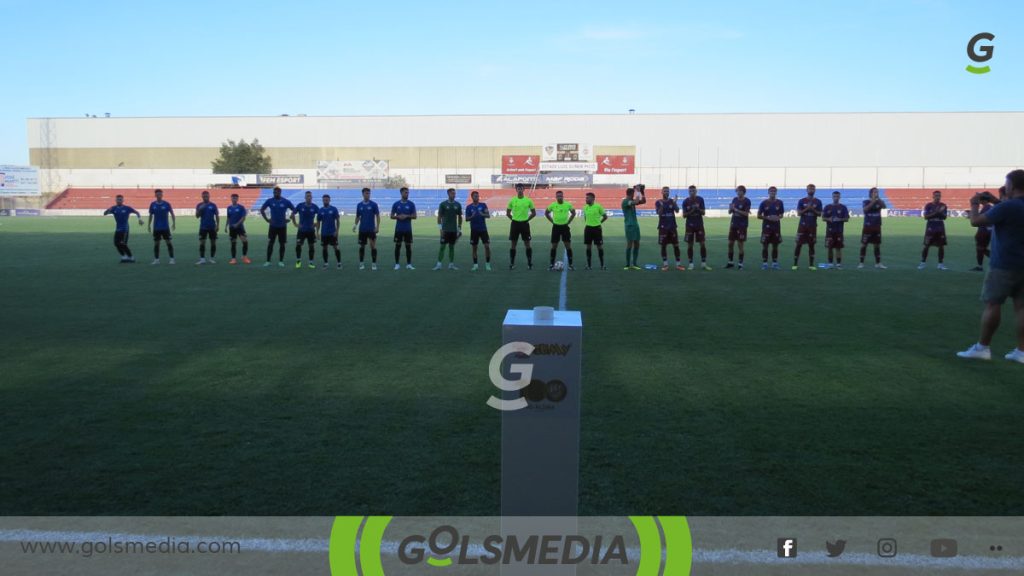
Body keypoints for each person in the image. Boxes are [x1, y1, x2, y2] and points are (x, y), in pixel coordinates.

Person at [956, 170, 1024, 364]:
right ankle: (1021, 351)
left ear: (1012, 185)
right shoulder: (1010, 206)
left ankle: (982, 348)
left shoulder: (1008, 206)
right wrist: (995, 200)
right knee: (1021, 308)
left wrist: (974, 204)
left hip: (1004, 264)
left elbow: (975, 221)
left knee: (993, 304)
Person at [260, 186, 295, 268]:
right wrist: (267, 220)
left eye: (277, 192)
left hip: (282, 227)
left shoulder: (286, 201)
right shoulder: (270, 201)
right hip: (272, 227)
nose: (275, 194)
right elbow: (262, 209)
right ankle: (268, 261)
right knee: (270, 244)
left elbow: (294, 209)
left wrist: (290, 218)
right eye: (274, 192)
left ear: (280, 192)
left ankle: (281, 261)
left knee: (282, 244)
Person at [102, 194, 142, 263]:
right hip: (118, 229)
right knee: (116, 243)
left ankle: (131, 257)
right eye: (118, 199)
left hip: (125, 229)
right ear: (116, 200)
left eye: (120, 199)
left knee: (123, 244)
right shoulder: (113, 208)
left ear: (123, 200)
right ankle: (124, 257)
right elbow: (105, 213)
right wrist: (108, 210)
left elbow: (137, 212)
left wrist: (139, 219)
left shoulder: (127, 208)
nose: (119, 201)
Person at [792, 184, 822, 270]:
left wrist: (812, 209)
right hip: (802, 226)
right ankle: (795, 264)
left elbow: (820, 214)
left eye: (813, 189)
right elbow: (798, 213)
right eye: (809, 189)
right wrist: (807, 208)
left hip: (812, 226)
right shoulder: (801, 201)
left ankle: (811, 265)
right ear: (807, 190)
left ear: (815, 190)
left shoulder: (818, 202)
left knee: (811, 245)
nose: (811, 190)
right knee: (798, 244)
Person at [506, 183, 536, 270]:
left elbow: (534, 213)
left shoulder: (528, 200)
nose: (519, 190)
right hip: (515, 224)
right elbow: (507, 213)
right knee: (513, 244)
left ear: (524, 190)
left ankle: (529, 263)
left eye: (521, 188)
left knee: (527, 244)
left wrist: (527, 220)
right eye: (518, 188)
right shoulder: (512, 200)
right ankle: (512, 263)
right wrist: (513, 219)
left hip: (525, 224)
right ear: (516, 190)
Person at [545, 190, 576, 271]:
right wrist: (552, 221)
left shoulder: (567, 204)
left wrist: (569, 221)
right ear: (556, 197)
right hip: (556, 228)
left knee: (568, 246)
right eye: (558, 196)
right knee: (554, 246)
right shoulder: (553, 205)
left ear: (563, 196)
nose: (559, 197)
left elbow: (573, 213)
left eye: (561, 196)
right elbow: (546, 213)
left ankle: (571, 265)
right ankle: (552, 265)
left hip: (565, 227)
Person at [918, 190, 949, 270]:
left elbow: (944, 217)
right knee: (927, 245)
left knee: (941, 246)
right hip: (931, 226)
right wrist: (937, 212)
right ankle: (922, 263)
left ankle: (940, 264)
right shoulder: (928, 205)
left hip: (940, 226)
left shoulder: (943, 205)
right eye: (936, 195)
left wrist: (939, 213)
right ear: (933, 196)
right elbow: (926, 217)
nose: (937, 197)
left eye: (939, 195)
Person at [656, 187, 684, 271]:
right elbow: (659, 213)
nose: (666, 192)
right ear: (662, 192)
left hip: (672, 227)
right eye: (664, 191)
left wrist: (675, 202)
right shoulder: (658, 202)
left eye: (667, 191)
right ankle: (665, 265)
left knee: (676, 245)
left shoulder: (671, 201)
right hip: (663, 227)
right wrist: (661, 206)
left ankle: (678, 264)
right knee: (663, 246)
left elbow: (677, 211)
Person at [683, 185, 711, 270]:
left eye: (693, 191)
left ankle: (703, 263)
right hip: (689, 225)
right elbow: (684, 215)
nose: (692, 192)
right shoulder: (685, 201)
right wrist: (692, 210)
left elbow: (703, 212)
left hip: (699, 225)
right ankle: (691, 263)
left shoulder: (700, 199)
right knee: (690, 245)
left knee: (702, 244)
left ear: (696, 191)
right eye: (690, 191)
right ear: (688, 192)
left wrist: (697, 209)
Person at [434, 188, 463, 270]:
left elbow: (460, 217)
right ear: (448, 194)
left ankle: (451, 264)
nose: (454, 195)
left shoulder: (458, 205)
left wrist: (459, 228)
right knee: (442, 247)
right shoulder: (443, 204)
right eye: (452, 193)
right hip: (445, 230)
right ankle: (439, 264)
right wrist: (440, 229)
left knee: (451, 247)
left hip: (453, 230)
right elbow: (439, 216)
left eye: (454, 193)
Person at [971, 188, 999, 272]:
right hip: (987, 230)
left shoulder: (987, 207)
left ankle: (993, 260)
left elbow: (979, 219)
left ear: (982, 200)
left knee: (980, 248)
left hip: (984, 231)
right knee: (981, 248)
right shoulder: (989, 207)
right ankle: (980, 265)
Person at [859, 187, 887, 269]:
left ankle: (878, 263)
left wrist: (878, 199)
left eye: (877, 192)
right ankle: (861, 263)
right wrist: (873, 201)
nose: (876, 193)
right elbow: (865, 210)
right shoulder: (866, 201)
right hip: (867, 226)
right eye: (875, 192)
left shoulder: (879, 202)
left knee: (877, 245)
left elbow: (884, 206)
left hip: (877, 226)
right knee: (864, 245)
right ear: (871, 193)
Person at [353, 187, 380, 270]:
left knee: (373, 246)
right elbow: (357, 216)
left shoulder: (374, 204)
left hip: (371, 229)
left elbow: (377, 216)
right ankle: (361, 263)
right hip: (362, 230)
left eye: (369, 193)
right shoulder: (359, 205)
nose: (368, 195)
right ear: (363, 194)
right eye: (366, 193)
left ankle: (374, 264)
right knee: (362, 246)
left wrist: (377, 227)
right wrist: (355, 225)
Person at [758, 186, 784, 270]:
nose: (773, 193)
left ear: (776, 193)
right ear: (768, 192)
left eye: (774, 191)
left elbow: (781, 214)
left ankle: (774, 263)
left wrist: (778, 217)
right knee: (765, 246)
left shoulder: (780, 202)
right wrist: (768, 218)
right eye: (771, 191)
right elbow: (758, 215)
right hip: (766, 227)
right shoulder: (764, 203)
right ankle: (765, 263)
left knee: (775, 246)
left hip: (776, 227)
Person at [390, 186, 417, 270]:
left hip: (408, 229)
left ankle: (409, 264)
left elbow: (415, 216)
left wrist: (406, 216)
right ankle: (397, 264)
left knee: (408, 247)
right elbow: (391, 216)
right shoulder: (396, 204)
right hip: (399, 229)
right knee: (398, 246)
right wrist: (398, 217)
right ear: (401, 193)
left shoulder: (411, 204)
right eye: (406, 192)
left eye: (408, 192)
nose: (407, 194)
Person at [822, 190, 850, 269]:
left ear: (839, 197)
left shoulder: (843, 207)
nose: (836, 198)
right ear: (832, 197)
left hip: (839, 231)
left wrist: (839, 219)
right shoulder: (827, 207)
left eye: (837, 196)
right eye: (834, 196)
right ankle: (830, 264)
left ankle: (838, 264)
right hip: (830, 231)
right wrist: (829, 219)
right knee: (829, 248)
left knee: (838, 248)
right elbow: (823, 218)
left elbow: (847, 219)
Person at [292, 190, 320, 269]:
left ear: (312, 197)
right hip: (301, 231)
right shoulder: (300, 205)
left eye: (310, 196)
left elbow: (320, 217)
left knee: (311, 247)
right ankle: (298, 261)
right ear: (305, 197)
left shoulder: (314, 207)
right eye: (307, 196)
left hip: (311, 231)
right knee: (298, 246)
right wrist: (295, 224)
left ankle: (311, 262)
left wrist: (315, 224)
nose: (309, 197)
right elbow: (292, 214)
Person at [726, 185, 752, 269]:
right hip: (733, 224)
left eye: (740, 191)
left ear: (743, 192)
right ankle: (730, 262)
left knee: (740, 244)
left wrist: (736, 209)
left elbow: (746, 213)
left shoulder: (747, 201)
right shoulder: (734, 199)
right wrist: (730, 209)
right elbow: (730, 212)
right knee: (730, 243)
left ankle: (740, 264)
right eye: (737, 191)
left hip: (742, 225)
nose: (738, 192)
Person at [148, 188, 176, 265]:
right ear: (155, 195)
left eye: (160, 194)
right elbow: (150, 215)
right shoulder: (152, 204)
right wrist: (149, 225)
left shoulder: (167, 204)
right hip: (156, 228)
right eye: (157, 194)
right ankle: (156, 260)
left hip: (165, 228)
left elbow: (172, 214)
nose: (159, 195)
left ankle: (172, 259)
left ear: (162, 195)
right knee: (156, 244)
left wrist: (174, 223)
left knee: (168, 243)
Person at [465, 190, 492, 271]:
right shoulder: (469, 207)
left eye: (477, 196)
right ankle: (475, 265)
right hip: (474, 230)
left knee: (487, 246)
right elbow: (466, 219)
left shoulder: (483, 205)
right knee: (474, 248)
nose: (477, 197)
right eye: (475, 196)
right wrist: (472, 216)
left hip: (483, 229)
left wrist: (482, 214)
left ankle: (487, 264)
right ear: (472, 197)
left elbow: (488, 216)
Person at [621, 185, 646, 270]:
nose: (634, 195)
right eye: (634, 193)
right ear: (631, 194)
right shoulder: (625, 201)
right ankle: (627, 264)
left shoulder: (631, 200)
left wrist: (642, 192)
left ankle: (634, 264)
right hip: (629, 225)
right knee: (629, 244)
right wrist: (638, 191)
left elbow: (643, 201)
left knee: (637, 244)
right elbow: (636, 202)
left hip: (635, 225)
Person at [582, 192, 608, 270]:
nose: (586, 199)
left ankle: (602, 265)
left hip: (597, 229)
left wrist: (599, 223)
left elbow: (605, 216)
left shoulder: (598, 206)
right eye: (586, 198)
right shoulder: (585, 207)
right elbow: (585, 218)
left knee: (599, 247)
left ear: (593, 199)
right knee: (588, 247)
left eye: (587, 198)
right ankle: (589, 266)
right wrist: (588, 223)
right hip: (588, 229)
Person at [194, 190, 220, 265]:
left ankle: (212, 258)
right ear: (202, 197)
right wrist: (200, 209)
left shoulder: (213, 205)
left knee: (213, 243)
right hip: (203, 227)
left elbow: (217, 216)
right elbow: (197, 216)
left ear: (209, 196)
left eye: (207, 196)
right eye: (204, 196)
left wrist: (218, 225)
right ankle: (202, 259)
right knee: (202, 243)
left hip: (212, 227)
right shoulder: (199, 205)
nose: (205, 197)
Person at [317, 194, 342, 269]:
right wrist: (317, 232)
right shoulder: (320, 210)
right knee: (324, 248)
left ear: (329, 200)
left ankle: (339, 263)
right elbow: (318, 222)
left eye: (327, 200)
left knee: (336, 247)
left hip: (332, 233)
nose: (325, 201)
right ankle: (326, 263)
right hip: (324, 233)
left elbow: (337, 221)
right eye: (324, 200)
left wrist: (337, 231)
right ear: (322, 200)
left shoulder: (334, 209)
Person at [225, 193, 251, 265]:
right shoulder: (229, 208)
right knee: (233, 243)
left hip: (240, 228)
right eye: (233, 198)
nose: (234, 199)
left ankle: (244, 257)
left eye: (235, 198)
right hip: (232, 228)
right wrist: (226, 226)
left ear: (237, 199)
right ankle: (233, 259)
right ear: (231, 199)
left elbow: (243, 218)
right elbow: (228, 217)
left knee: (245, 241)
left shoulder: (241, 207)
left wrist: (237, 224)